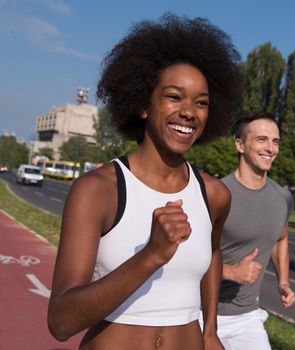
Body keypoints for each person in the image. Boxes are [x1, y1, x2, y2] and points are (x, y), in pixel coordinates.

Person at [47, 13, 241, 350]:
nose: (189, 112)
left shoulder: (214, 195)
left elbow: (212, 254)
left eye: (201, 103)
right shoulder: (98, 190)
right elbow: (61, 322)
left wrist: (210, 332)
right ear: (142, 104)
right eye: (173, 96)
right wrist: (151, 255)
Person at [216, 111, 295, 349]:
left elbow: (280, 238)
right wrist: (230, 272)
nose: (270, 148)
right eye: (262, 139)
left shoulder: (282, 198)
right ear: (240, 145)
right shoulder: (217, 194)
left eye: (275, 141)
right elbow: (186, 256)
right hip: (200, 311)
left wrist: (283, 281)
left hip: (246, 317)